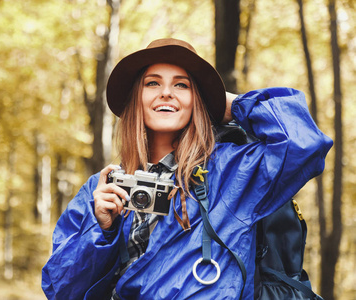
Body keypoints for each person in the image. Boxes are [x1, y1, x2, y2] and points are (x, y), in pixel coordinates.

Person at [41, 38, 333, 300]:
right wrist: (101, 229)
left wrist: (228, 103)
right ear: (136, 98)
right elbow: (61, 290)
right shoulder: (101, 187)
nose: (167, 93)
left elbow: (304, 143)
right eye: (152, 83)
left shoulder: (231, 172)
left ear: (197, 100)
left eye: (182, 85)